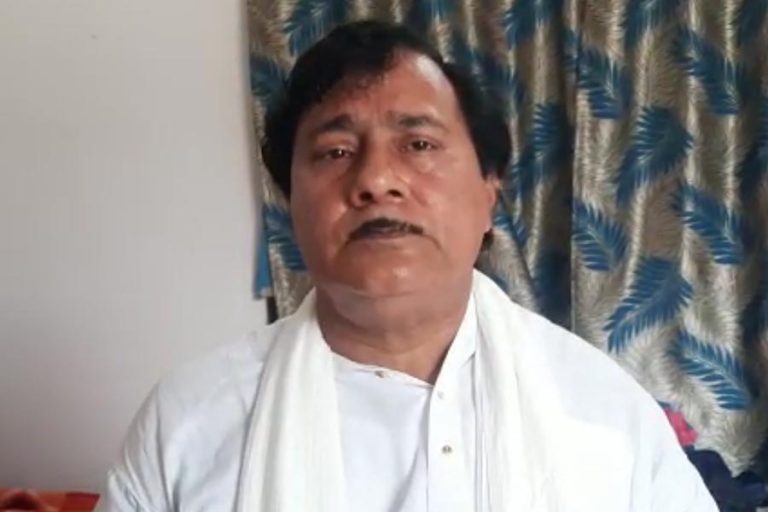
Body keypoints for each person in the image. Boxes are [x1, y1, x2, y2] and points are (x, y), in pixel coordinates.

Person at [95, 20, 717, 512]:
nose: (376, 180)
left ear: (489, 192)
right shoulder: (190, 421)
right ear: (290, 203)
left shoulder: (604, 410)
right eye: (336, 151)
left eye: (418, 144)